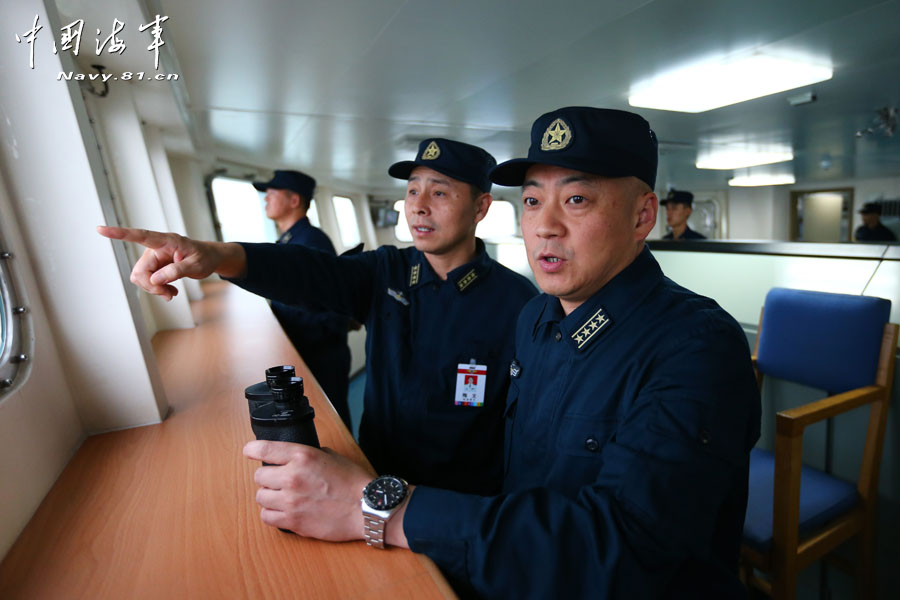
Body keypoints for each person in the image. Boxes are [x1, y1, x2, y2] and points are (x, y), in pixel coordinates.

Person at [236, 107, 760, 599]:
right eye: (532, 201)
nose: (545, 225)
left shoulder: (696, 347)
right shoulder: (537, 318)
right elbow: (517, 482)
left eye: (577, 199)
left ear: (643, 215)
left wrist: (380, 510)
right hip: (511, 565)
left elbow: (625, 549)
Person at [97, 138, 538, 497]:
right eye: (412, 191)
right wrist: (218, 256)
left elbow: (529, 417)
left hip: (463, 490)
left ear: (480, 207)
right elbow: (309, 272)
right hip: (376, 470)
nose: (418, 206)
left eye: (439, 192)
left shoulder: (517, 300)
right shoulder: (386, 271)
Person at [253, 169, 353, 429]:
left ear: (294, 200)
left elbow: (325, 306)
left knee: (333, 421)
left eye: (272, 193)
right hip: (304, 347)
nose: (266, 199)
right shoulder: (290, 240)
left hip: (320, 352)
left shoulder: (311, 242)